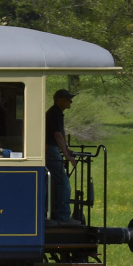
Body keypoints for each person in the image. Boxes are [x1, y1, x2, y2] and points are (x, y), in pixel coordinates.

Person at [46, 89, 79, 224]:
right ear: (59, 100)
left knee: (55, 182)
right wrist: (67, 156)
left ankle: (55, 213)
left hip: (52, 149)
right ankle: (63, 216)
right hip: (51, 150)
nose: (70, 101)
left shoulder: (56, 113)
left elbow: (61, 133)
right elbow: (57, 135)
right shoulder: (55, 113)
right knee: (63, 183)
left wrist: (66, 148)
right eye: (67, 99)